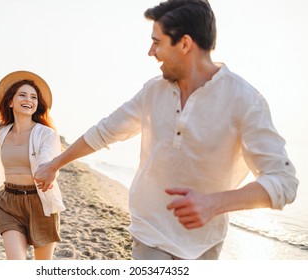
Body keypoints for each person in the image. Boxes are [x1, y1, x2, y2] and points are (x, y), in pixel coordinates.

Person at [34, 0, 299, 260]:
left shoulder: (245, 100)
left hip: (205, 244)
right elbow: (104, 132)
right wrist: (55, 164)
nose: (151, 51)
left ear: (184, 44)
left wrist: (214, 203)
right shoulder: (153, 91)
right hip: (149, 232)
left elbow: (283, 182)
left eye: (157, 42)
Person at [0, 71, 65, 260]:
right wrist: (1, 101)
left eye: (34, 97)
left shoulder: (46, 134)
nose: (29, 100)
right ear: (10, 101)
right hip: (9, 202)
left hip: (41, 203)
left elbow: (48, 162)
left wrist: (49, 174)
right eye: (22, 95)